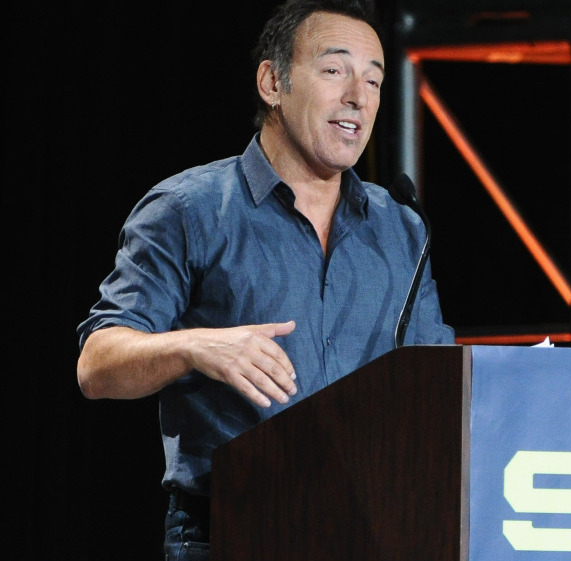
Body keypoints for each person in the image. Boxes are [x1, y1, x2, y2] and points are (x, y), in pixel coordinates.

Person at [75, 1, 454, 559]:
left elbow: (437, 380)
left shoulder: (401, 225)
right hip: (232, 525)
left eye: (373, 80)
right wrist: (195, 346)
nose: (359, 96)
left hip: (375, 525)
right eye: (334, 70)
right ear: (273, 82)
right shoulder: (190, 209)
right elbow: (96, 364)